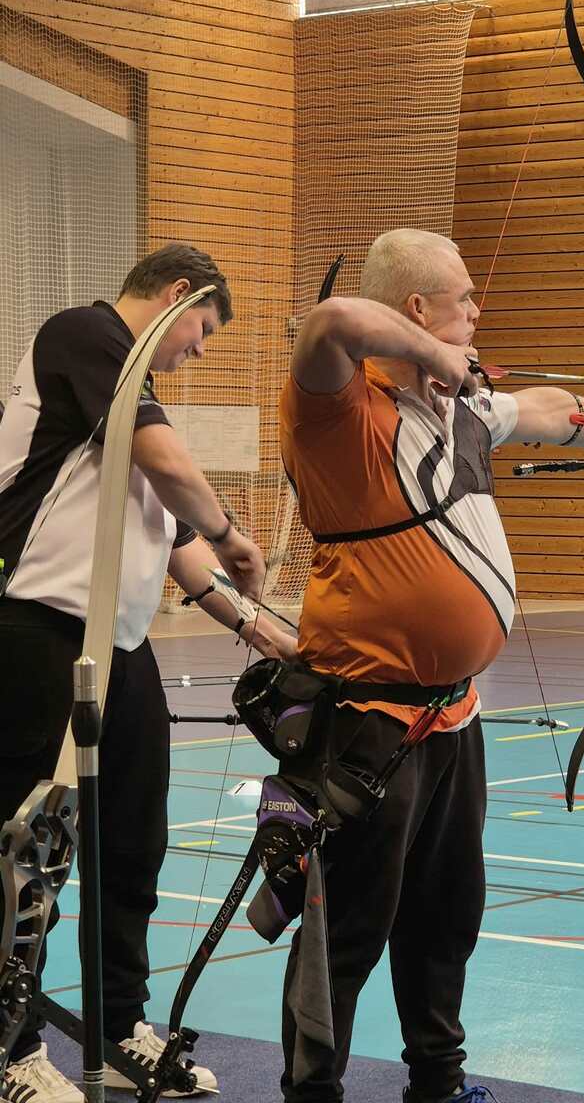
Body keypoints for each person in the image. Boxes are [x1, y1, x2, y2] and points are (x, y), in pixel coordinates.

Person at [278, 226, 584, 1103]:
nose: (479, 312)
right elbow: (332, 321)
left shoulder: (461, 411)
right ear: (417, 310)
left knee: (446, 913)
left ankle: (439, 1081)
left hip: (454, 714)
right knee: (347, 927)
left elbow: (549, 411)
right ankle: (312, 1092)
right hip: (365, 719)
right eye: (464, 300)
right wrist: (437, 359)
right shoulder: (338, 408)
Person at [0, 242, 296, 1103]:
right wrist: (235, 532)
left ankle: (120, 1025)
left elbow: (179, 549)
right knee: (31, 849)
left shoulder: (127, 408)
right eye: (202, 329)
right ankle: (12, 1049)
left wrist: (263, 630)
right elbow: (176, 476)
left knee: (132, 845)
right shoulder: (87, 336)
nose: (197, 349)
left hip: (119, 648)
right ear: (177, 294)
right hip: (38, 633)